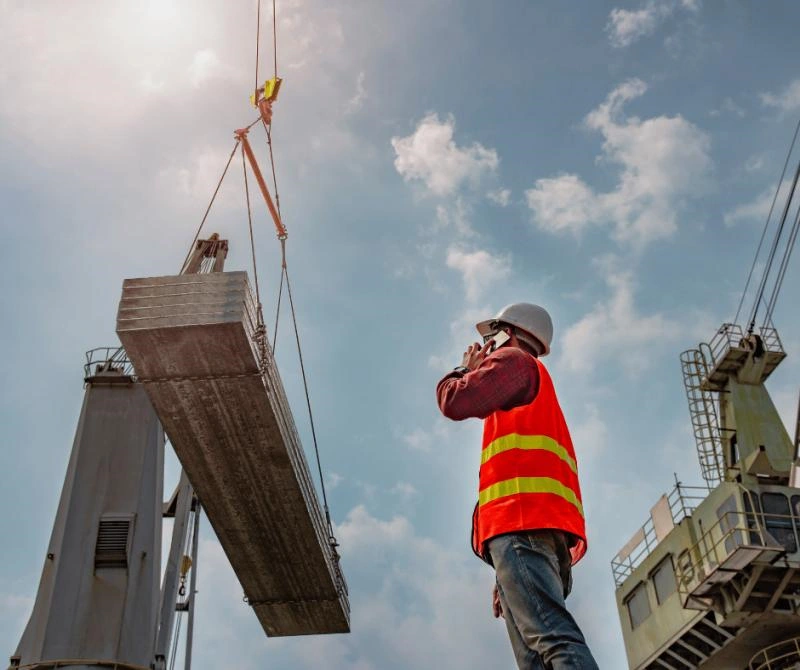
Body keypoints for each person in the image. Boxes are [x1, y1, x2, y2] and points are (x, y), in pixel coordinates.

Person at [436, 303, 599, 669]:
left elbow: (454, 400)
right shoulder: (529, 385)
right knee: (536, 658)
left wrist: (465, 368)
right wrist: (504, 575)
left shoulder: (515, 362)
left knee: (552, 638)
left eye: (489, 336)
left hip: (521, 527)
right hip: (531, 534)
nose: (486, 346)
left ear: (508, 333)